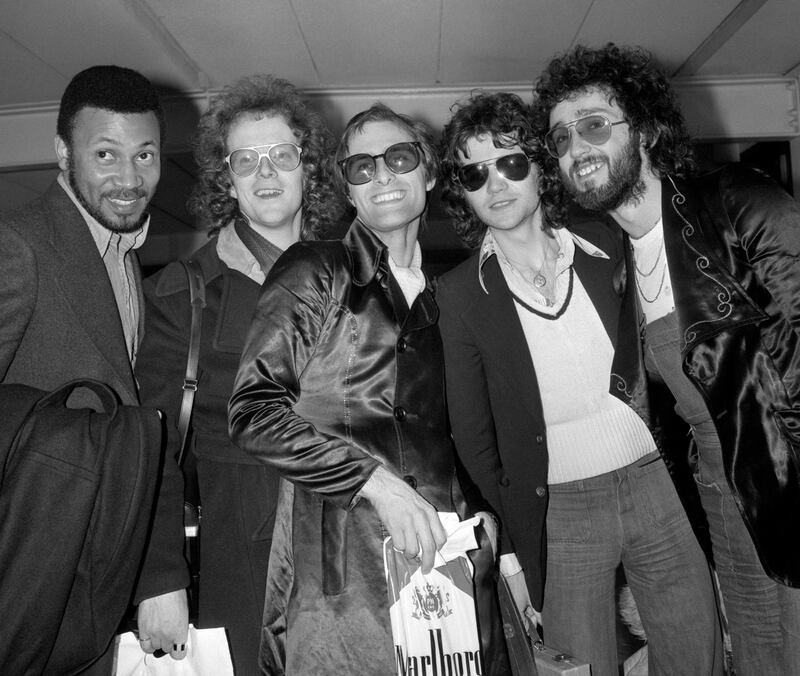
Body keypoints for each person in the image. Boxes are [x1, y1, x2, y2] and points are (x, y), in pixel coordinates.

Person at [532, 43, 800, 675]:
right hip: (719, 497)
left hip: (786, 484)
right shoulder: (618, 261)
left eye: (595, 124)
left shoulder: (735, 203)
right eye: (562, 137)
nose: (577, 148)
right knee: (759, 656)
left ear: (647, 129)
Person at [436, 90, 724, 676]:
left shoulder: (610, 242)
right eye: (475, 172)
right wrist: (512, 550)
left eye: (512, 162)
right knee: (577, 667)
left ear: (542, 168)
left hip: (658, 483)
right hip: (559, 512)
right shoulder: (459, 296)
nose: (496, 183)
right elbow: (474, 439)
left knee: (697, 654)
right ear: (462, 191)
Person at [228, 102, 510, 675]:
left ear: (428, 175)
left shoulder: (444, 295)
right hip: (342, 569)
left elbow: (443, 432)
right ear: (349, 193)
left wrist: (483, 518)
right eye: (361, 168)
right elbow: (252, 411)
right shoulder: (314, 268)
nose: (381, 175)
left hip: (444, 562)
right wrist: (376, 483)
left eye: (399, 158)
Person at [135, 74, 341, 676]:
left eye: (282, 155)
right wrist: (160, 580)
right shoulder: (183, 293)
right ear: (227, 178)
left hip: (351, 537)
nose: (267, 173)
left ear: (308, 167)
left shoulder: (352, 273)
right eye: (246, 160)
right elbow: (153, 449)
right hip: (246, 548)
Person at [0, 65, 188, 672]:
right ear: (62, 153)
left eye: (145, 155)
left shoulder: (124, 258)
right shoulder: (17, 245)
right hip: (31, 582)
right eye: (105, 154)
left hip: (98, 583)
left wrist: (157, 573)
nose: (129, 179)